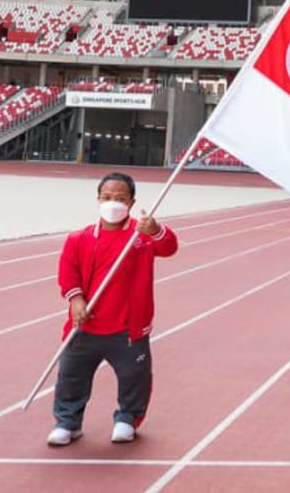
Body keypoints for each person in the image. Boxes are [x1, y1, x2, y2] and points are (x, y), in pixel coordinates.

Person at [47, 172, 178, 446]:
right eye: (107, 197)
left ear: (131, 202)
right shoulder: (78, 238)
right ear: (98, 199)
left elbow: (169, 247)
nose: (113, 203)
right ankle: (68, 422)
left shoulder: (141, 237)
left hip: (127, 328)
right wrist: (76, 300)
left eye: (120, 198)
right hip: (86, 325)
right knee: (71, 375)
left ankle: (126, 419)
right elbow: (67, 274)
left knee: (134, 378)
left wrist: (155, 230)